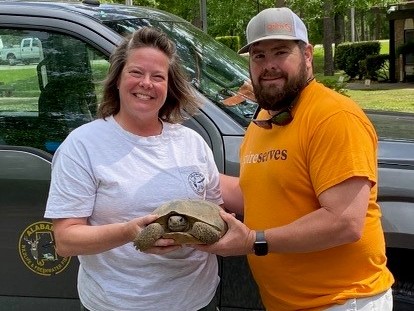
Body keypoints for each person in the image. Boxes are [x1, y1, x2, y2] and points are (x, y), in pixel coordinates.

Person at [193, 7, 394, 311]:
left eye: (280, 52)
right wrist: (192, 177)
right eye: (258, 56)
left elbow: (344, 222)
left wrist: (251, 240)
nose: (268, 65)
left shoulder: (333, 116)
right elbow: (260, 194)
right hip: (288, 302)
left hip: (341, 301)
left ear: (307, 54)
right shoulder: (265, 117)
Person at [44, 27, 223, 311]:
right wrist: (128, 232)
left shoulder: (192, 143)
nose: (147, 84)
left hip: (197, 300)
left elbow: (215, 211)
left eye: (158, 76)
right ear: (117, 79)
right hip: (119, 303)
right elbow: (65, 240)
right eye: (136, 72)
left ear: (169, 86)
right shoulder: (83, 145)